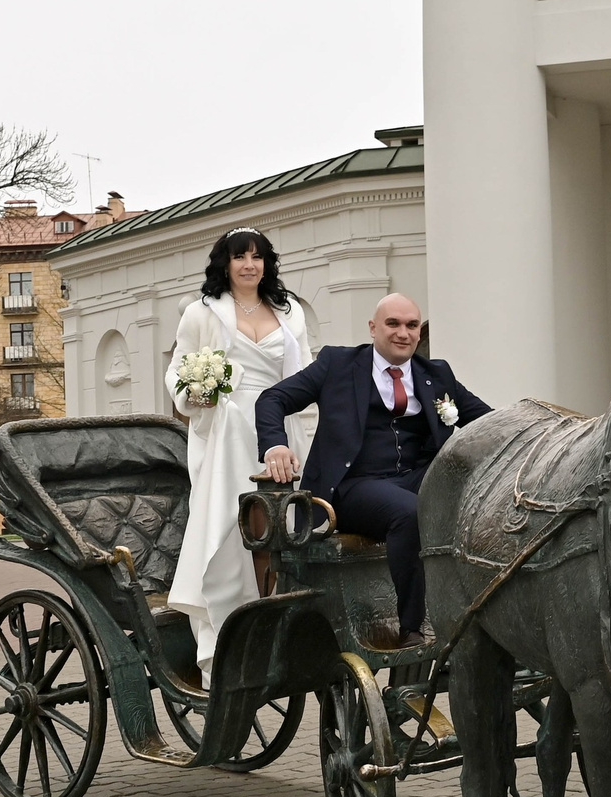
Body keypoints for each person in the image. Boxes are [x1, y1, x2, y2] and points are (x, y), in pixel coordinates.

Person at [256, 292, 491, 643]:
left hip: (415, 477)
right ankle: (414, 627)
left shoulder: (436, 373)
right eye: (393, 324)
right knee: (410, 513)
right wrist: (275, 445)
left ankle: (483, 614)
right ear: (373, 328)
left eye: (412, 325)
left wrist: (534, 436)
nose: (404, 333)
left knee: (480, 499)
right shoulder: (337, 364)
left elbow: (487, 421)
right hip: (351, 486)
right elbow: (272, 398)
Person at [167, 227, 313, 680]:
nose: (249, 265)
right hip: (228, 429)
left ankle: (280, 617)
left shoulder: (290, 313)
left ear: (267, 263)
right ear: (225, 263)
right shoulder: (200, 312)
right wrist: (198, 395)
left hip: (278, 427)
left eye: (257, 257)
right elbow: (178, 371)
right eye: (240, 257)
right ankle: (225, 624)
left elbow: (305, 372)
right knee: (231, 524)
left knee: (285, 523)